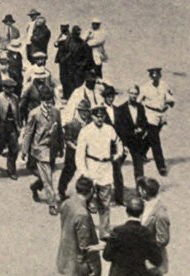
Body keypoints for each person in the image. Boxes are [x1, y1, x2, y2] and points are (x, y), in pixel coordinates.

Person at [76, 106, 124, 239]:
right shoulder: (85, 131)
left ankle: (104, 231)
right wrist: (84, 172)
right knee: (86, 202)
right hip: (91, 167)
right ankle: (84, 230)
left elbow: (119, 142)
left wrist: (118, 154)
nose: (99, 118)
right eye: (97, 116)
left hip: (106, 168)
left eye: (102, 116)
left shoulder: (109, 129)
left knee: (105, 202)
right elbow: (79, 154)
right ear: (92, 116)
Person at [21, 86, 64, 215]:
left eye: (51, 102)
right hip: (40, 149)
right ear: (41, 101)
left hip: (52, 149)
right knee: (48, 178)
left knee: (46, 176)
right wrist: (24, 150)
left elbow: (59, 131)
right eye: (46, 102)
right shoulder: (34, 114)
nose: (49, 105)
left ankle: (35, 187)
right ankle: (52, 204)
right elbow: (28, 132)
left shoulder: (56, 112)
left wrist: (61, 147)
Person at [102, 197, 162, 275]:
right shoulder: (146, 233)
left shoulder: (117, 231)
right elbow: (157, 259)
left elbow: (106, 256)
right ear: (141, 212)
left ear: (126, 211)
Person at [56, 176, 102, 276]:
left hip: (65, 257)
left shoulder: (67, 203)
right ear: (91, 191)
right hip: (77, 265)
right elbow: (84, 245)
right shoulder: (82, 214)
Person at [138, 67, 174, 176]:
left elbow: (169, 96)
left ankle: (141, 153)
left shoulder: (164, 85)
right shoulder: (144, 88)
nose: (155, 78)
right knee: (156, 142)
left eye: (157, 76)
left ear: (160, 76)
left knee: (152, 137)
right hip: (151, 115)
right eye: (153, 76)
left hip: (162, 115)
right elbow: (138, 102)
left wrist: (170, 102)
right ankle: (161, 166)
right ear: (150, 77)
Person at [115, 85, 149, 182]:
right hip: (124, 141)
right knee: (116, 164)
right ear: (128, 93)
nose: (133, 96)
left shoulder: (140, 107)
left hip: (137, 142)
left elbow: (144, 122)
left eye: (135, 94)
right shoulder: (121, 109)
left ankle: (140, 190)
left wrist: (141, 129)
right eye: (131, 93)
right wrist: (128, 135)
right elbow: (119, 127)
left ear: (138, 95)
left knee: (139, 167)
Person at [0, 78, 21, 180]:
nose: (11, 90)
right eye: (8, 88)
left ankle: (11, 170)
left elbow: (18, 113)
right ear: (3, 88)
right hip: (0, 127)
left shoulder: (15, 98)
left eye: (12, 88)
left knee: (14, 148)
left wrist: (19, 125)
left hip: (12, 126)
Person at [138, 176, 171, 275]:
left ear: (144, 192)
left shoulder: (160, 214)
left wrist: (149, 254)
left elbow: (162, 239)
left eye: (139, 189)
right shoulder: (144, 205)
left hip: (153, 261)